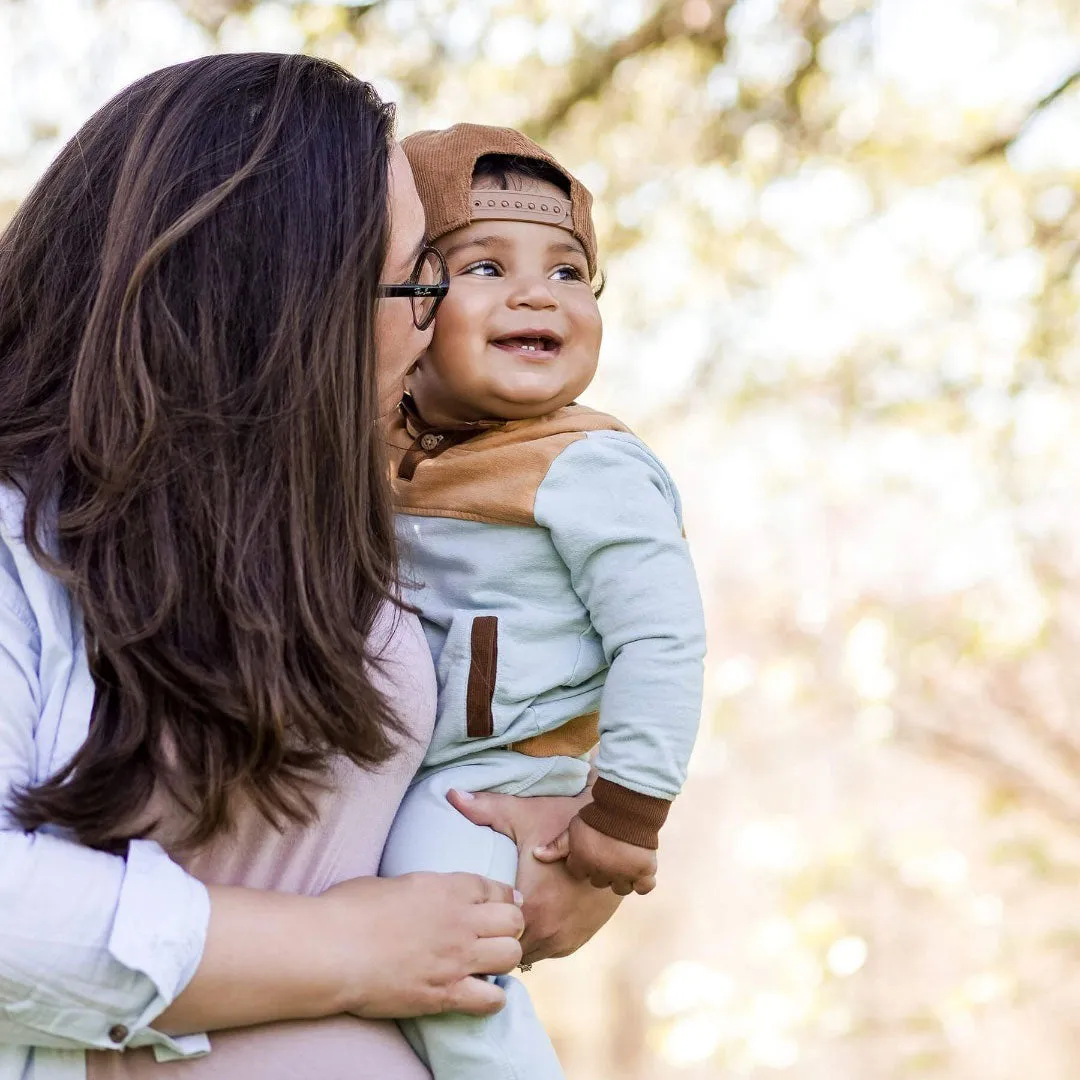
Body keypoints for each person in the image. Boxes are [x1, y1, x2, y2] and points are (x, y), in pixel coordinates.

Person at [0, 56, 620, 1080]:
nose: (438, 331)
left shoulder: (341, 527)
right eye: (424, 280)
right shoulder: (25, 537)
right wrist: (344, 953)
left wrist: (557, 841)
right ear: (284, 307)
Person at [379, 124, 708, 1079]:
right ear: (408, 305)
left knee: (441, 953)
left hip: (507, 778)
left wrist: (623, 817)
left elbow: (662, 638)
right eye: (484, 264)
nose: (537, 293)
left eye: (570, 273)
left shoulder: (584, 464)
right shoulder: (383, 446)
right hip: (427, 771)